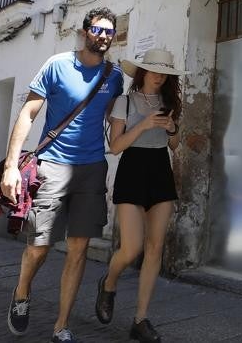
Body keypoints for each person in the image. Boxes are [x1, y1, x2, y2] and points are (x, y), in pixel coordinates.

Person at [1, 7, 123, 343]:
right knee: (39, 246)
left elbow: (113, 118)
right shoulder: (57, 65)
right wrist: (11, 166)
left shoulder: (114, 76)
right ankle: (22, 293)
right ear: (84, 32)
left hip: (92, 169)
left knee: (79, 249)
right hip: (52, 166)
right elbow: (28, 113)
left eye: (109, 32)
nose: (103, 36)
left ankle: (62, 325)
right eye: (97, 29)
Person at [93, 49, 184, 342]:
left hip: (160, 170)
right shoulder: (125, 101)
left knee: (155, 248)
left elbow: (174, 145)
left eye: (164, 73)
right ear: (143, 72)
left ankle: (140, 319)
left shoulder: (170, 103)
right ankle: (109, 282)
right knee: (131, 248)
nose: (159, 76)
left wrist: (172, 128)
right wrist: (144, 124)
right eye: (154, 70)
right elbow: (115, 146)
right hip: (132, 169)